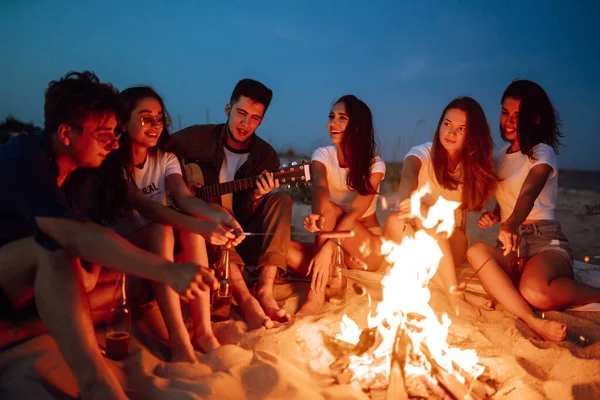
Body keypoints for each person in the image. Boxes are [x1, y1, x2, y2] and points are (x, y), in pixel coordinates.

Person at [0, 71, 216, 400]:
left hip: (37, 281)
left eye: (115, 134)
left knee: (118, 281)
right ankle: (98, 386)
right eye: (104, 135)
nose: (115, 143)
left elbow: (94, 234)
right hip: (11, 272)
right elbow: (69, 234)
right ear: (65, 133)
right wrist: (168, 270)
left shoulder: (83, 173)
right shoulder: (25, 160)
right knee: (57, 252)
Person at [98, 86, 245, 357]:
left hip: (158, 243)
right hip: (124, 247)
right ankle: (178, 338)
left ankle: (202, 332)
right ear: (122, 120)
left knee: (189, 232)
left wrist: (221, 216)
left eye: (159, 118)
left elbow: (186, 199)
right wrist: (202, 226)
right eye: (145, 118)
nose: (155, 125)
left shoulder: (165, 159)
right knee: (166, 227)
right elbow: (147, 209)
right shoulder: (113, 165)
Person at [467, 79, 600, 341]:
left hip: (545, 241)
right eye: (505, 112)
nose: (508, 120)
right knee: (475, 251)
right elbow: (508, 195)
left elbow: (528, 192)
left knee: (534, 292)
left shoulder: (542, 153)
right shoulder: (500, 156)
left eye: (518, 115)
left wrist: (510, 223)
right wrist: (496, 214)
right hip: (512, 244)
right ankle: (530, 319)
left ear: (536, 119)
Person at [168, 78, 292, 328]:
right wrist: (178, 182)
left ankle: (265, 290)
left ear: (261, 120)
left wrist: (257, 197)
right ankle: (245, 299)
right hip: (206, 230)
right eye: (241, 113)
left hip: (244, 235)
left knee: (282, 199)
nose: (246, 124)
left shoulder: (265, 156)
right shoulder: (197, 137)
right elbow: (159, 151)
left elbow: (248, 214)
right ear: (228, 109)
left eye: (255, 118)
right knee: (215, 210)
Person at [383, 96, 497, 319]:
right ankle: (456, 292)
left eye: (460, 128)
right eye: (447, 124)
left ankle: (453, 297)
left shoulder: (472, 166)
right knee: (392, 222)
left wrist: (496, 216)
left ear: (471, 134)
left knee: (425, 214)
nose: (451, 133)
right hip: (419, 238)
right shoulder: (422, 153)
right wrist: (409, 199)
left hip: (452, 243)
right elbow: (408, 176)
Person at [287, 95, 386, 315]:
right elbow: (320, 188)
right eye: (332, 116)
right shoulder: (322, 155)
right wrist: (315, 214)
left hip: (364, 245)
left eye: (342, 118)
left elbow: (354, 213)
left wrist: (330, 245)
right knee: (283, 249)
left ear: (358, 127)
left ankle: (315, 296)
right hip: (333, 243)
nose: (333, 123)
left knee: (331, 210)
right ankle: (338, 276)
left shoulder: (375, 165)